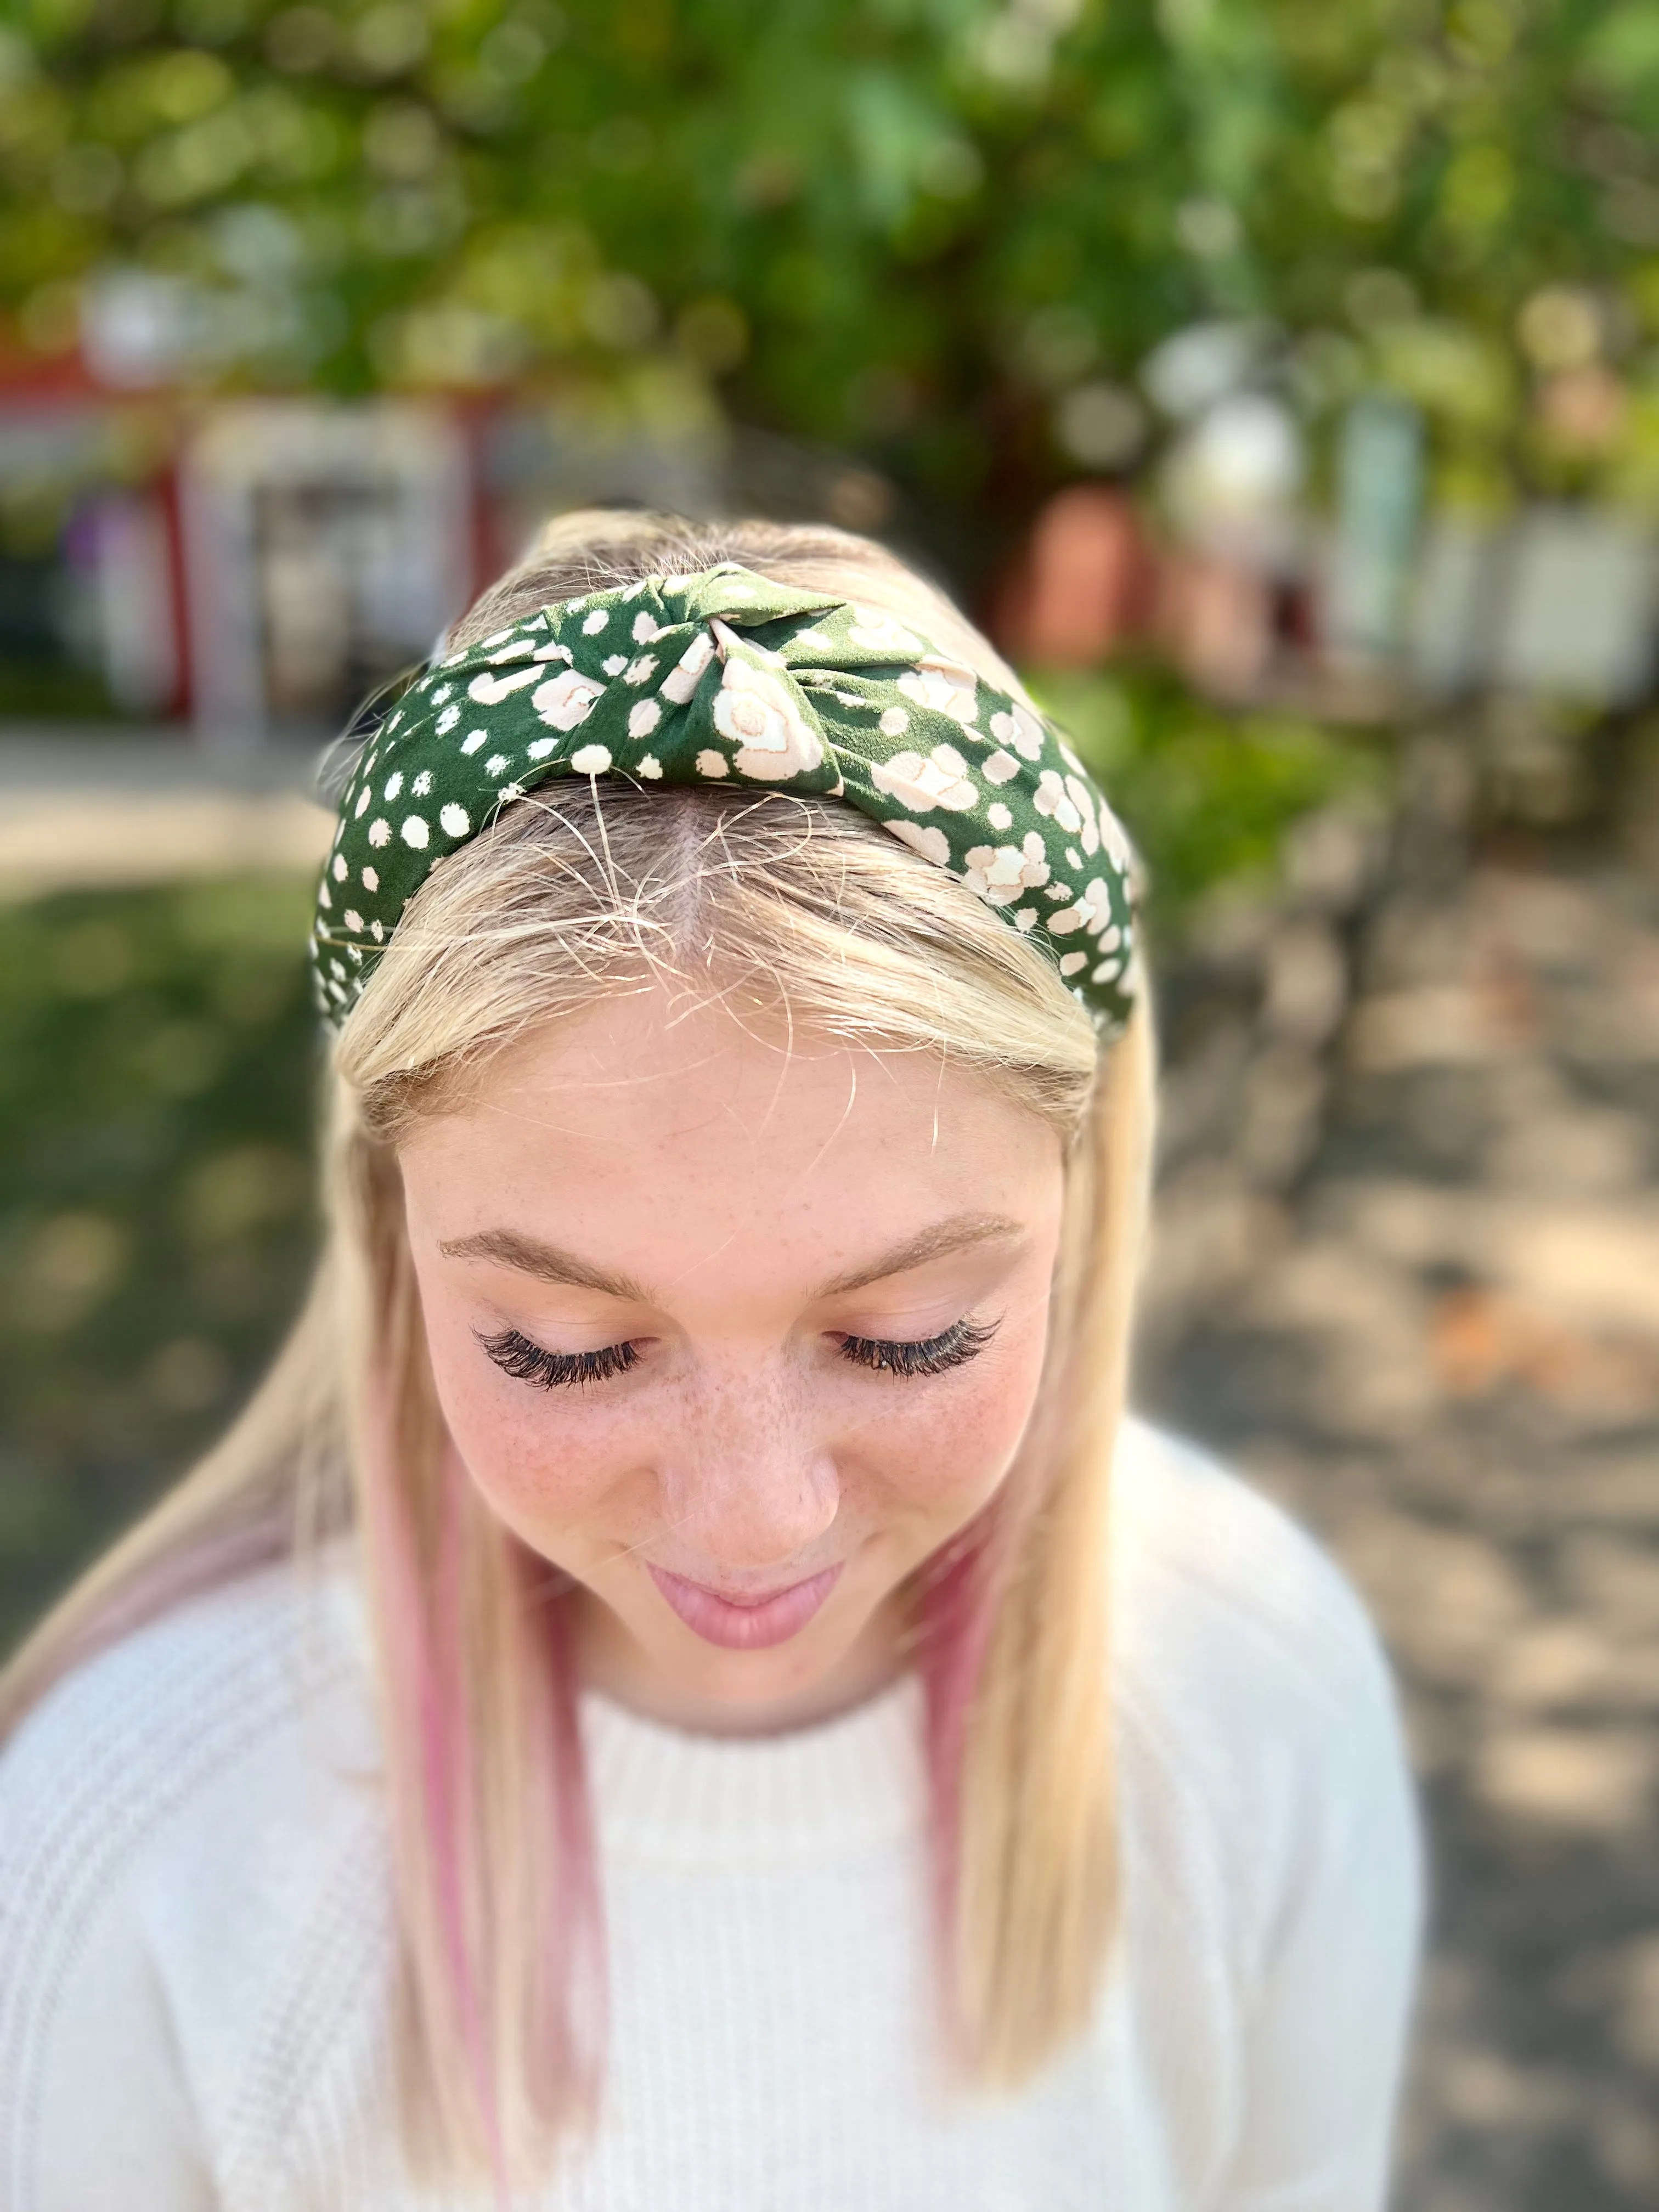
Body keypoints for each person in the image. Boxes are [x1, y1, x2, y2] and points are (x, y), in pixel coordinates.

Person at [0, 511, 1421, 2212]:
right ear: (391, 1227)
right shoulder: (135, 1832)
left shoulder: (1252, 1694)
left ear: (1084, 1197)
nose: (754, 1520)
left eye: (910, 1339)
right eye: (567, 1351)